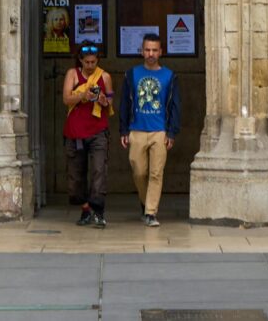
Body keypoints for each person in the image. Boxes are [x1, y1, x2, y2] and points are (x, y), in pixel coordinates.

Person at [120, 32, 182, 226]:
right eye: (147, 49)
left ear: (161, 52)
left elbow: (175, 106)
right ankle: (145, 202)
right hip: (137, 129)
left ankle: (150, 213)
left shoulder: (170, 76)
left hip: (159, 131)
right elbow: (123, 103)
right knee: (139, 172)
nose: (151, 53)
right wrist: (123, 130)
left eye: (154, 50)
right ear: (141, 51)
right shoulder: (131, 74)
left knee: (156, 173)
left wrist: (172, 132)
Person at [63, 40, 114, 227]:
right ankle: (85, 209)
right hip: (75, 132)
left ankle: (99, 211)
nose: (91, 66)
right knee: (76, 174)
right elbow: (66, 98)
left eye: (93, 62)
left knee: (99, 170)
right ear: (80, 60)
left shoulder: (105, 77)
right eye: (87, 62)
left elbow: (109, 103)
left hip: (98, 130)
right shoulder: (72, 74)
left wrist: (102, 100)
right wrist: (83, 95)